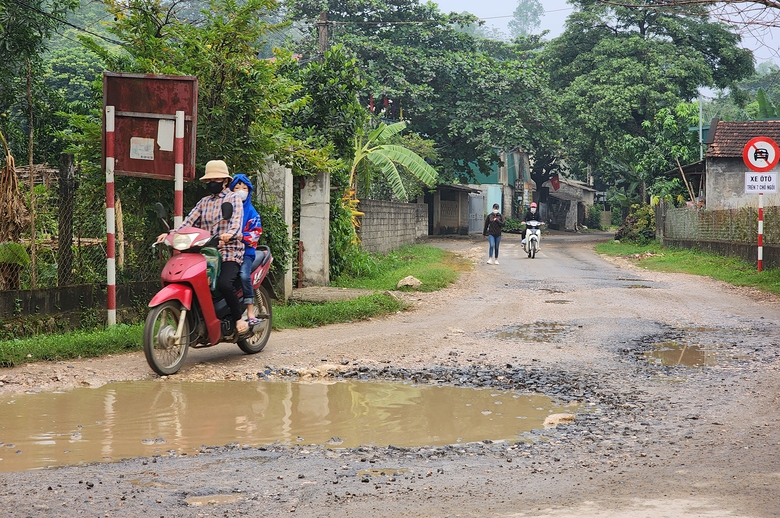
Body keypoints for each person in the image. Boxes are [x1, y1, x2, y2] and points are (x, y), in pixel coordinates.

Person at [157, 160, 248, 335]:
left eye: (216, 179)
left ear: (225, 181)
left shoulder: (233, 198)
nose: (212, 183)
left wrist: (229, 234)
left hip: (228, 251)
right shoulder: (204, 202)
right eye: (209, 180)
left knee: (224, 284)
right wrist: (171, 234)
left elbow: (236, 222)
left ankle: (238, 318)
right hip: (205, 253)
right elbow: (188, 222)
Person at [229, 174, 263, 327]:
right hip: (228, 251)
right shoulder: (227, 209)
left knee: (243, 275)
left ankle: (250, 311)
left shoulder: (252, 213)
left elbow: (256, 234)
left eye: (244, 188)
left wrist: (240, 236)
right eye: (236, 188)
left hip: (246, 254)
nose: (240, 191)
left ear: (249, 191)